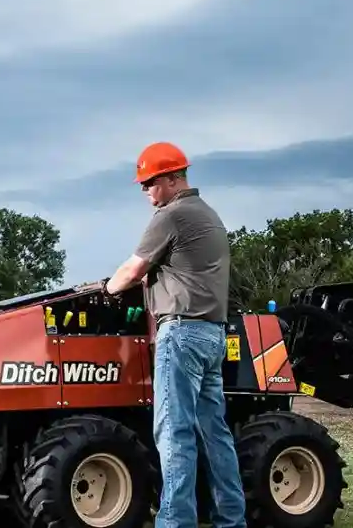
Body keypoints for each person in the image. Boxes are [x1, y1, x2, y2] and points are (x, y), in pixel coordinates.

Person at [101, 141, 247, 528]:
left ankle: (174, 522)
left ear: (170, 178)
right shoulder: (209, 215)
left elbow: (132, 272)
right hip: (212, 336)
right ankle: (232, 520)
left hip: (180, 335)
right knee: (215, 436)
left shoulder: (172, 215)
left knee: (174, 434)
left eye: (149, 183)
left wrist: (106, 289)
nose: (145, 191)